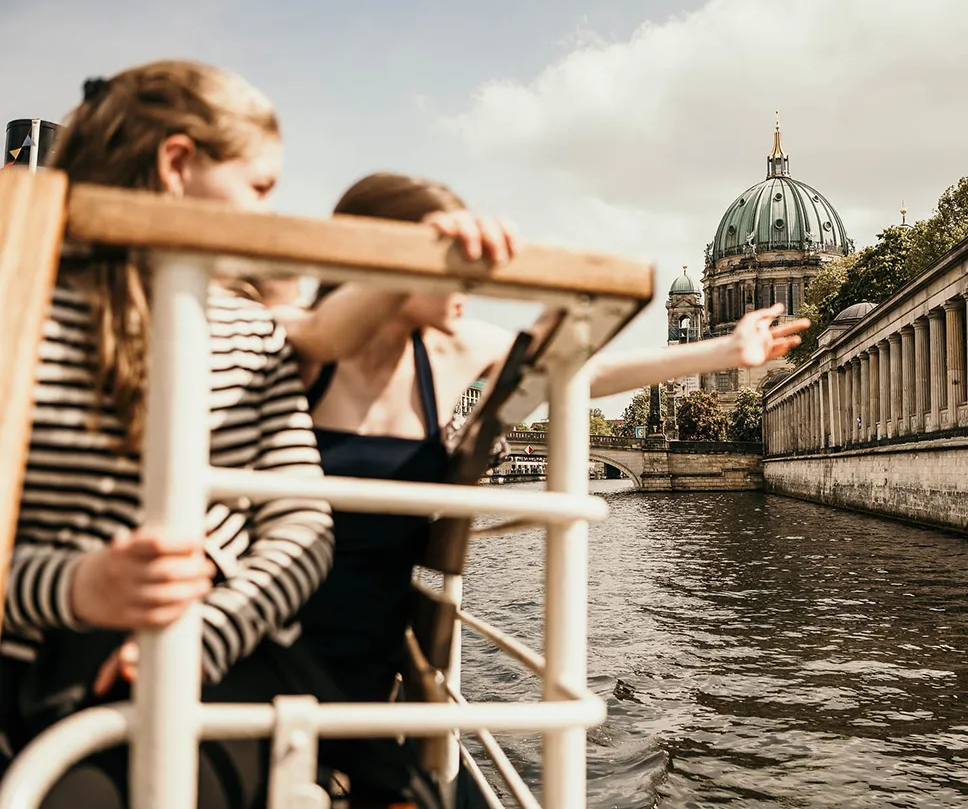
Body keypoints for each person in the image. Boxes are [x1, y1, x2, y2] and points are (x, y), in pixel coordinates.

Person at [0, 63, 435, 809]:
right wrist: (80, 587)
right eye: (261, 189)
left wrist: (205, 634)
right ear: (176, 166)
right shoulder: (20, 312)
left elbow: (302, 526)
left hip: (222, 647)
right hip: (43, 653)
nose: (271, 217)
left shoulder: (253, 333)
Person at [253, 173, 810, 711]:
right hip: (265, 631)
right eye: (449, 265)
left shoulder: (453, 350)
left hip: (373, 651)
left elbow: (579, 373)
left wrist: (725, 352)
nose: (470, 285)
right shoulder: (293, 342)